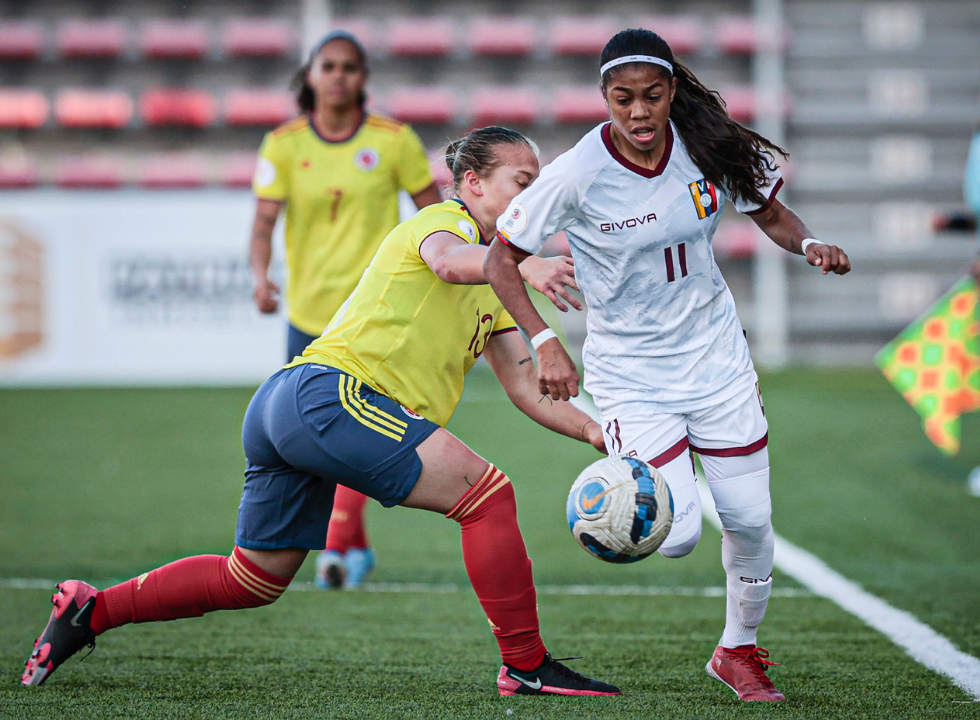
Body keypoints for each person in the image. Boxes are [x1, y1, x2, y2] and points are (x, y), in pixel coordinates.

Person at [22, 126, 620, 698]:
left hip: (289, 404)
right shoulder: (444, 223)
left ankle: (91, 609)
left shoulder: (493, 281)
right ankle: (525, 667)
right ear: (471, 183)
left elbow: (524, 382)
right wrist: (523, 265)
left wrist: (596, 431)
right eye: (522, 181)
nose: (533, 197)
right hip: (329, 396)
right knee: (486, 496)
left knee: (252, 579)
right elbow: (444, 261)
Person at [485, 29, 851, 703]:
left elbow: (770, 213)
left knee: (748, 521)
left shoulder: (703, 147)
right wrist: (545, 341)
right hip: (633, 376)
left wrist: (811, 243)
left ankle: (738, 652)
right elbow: (499, 261)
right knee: (677, 534)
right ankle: (618, 489)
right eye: (623, 99)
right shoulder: (577, 172)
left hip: (717, 363)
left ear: (672, 91)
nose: (639, 113)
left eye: (652, 96)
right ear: (604, 99)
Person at [249, 30, 442, 590]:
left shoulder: (394, 140)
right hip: (309, 318)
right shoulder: (282, 145)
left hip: (374, 318)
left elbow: (436, 215)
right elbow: (262, 224)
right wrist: (260, 277)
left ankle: (334, 548)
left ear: (364, 77)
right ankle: (348, 546)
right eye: (328, 66)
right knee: (315, 446)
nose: (338, 76)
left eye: (350, 67)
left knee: (361, 437)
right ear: (310, 75)